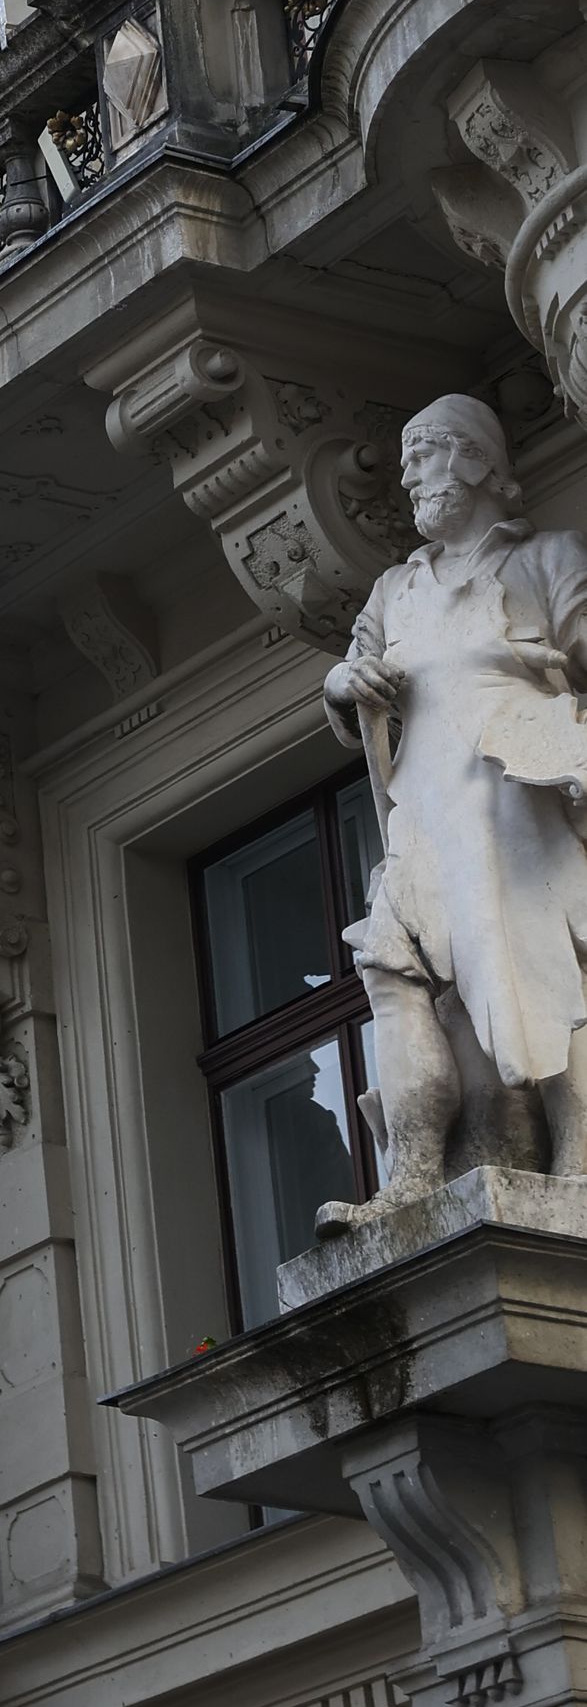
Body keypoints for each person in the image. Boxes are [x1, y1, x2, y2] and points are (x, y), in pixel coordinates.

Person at [323, 390, 587, 1204]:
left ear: (474, 459)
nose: (406, 476)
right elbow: (348, 676)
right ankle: (410, 1177)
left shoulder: (547, 559)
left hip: (513, 794)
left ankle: (577, 1163)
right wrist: (343, 683)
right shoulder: (393, 589)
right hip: (423, 806)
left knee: (541, 973)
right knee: (390, 967)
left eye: (423, 454)